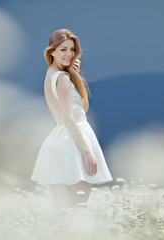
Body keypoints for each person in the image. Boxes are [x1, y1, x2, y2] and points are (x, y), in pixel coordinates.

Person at [31, 29, 113, 207]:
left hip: (60, 139)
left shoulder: (51, 75)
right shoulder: (62, 78)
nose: (69, 54)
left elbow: (82, 108)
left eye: (72, 49)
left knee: (62, 209)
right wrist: (86, 152)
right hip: (74, 141)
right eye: (63, 49)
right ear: (52, 51)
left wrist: (76, 77)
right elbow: (70, 117)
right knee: (79, 207)